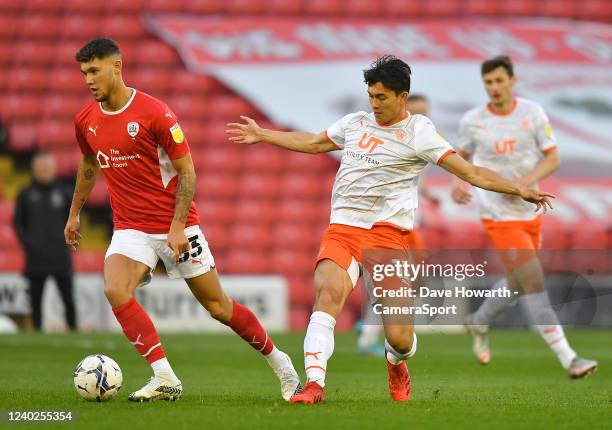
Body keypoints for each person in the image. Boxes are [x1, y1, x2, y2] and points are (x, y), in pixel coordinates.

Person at [226, 55, 554, 403]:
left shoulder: (420, 133)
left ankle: (396, 362)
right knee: (327, 297)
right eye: (371, 96)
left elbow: (470, 173)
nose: (374, 104)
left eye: (381, 97)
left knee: (399, 338)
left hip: (387, 237)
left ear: (402, 96)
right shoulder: (355, 123)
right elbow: (315, 143)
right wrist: (263, 134)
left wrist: (518, 188)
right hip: (343, 229)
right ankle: (314, 385)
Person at [65, 38, 301, 402]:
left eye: (94, 71)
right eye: (84, 73)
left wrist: (177, 226)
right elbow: (87, 164)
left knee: (218, 307)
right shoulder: (86, 119)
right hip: (130, 228)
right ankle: (164, 377)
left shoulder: (155, 112)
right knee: (114, 288)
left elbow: (187, 172)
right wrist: (74, 213)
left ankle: (281, 363)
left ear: (117, 66)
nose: (89, 80)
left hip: (177, 225)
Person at [452, 55, 597, 378]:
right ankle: (569, 358)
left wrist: (523, 185)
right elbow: (458, 158)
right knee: (532, 281)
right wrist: (457, 182)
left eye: (499, 81)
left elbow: (553, 157)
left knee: (517, 284)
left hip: (529, 209)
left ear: (512, 81)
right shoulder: (473, 121)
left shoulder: (532, 113)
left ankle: (478, 322)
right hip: (497, 212)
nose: (494, 88)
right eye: (488, 82)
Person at [356, 93, 439, 357]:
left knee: (412, 281)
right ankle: (369, 333)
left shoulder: (421, 138)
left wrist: (427, 195)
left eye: (425, 111)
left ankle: (372, 324)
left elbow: (412, 179)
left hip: (411, 221)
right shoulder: (392, 140)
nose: (421, 116)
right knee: (397, 283)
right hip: (397, 224)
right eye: (416, 111)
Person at [14, 152, 76, 331]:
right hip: (35, 257)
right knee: (35, 298)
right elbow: (18, 222)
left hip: (60, 255)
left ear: (54, 169)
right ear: (34, 170)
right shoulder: (25, 194)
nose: (44, 172)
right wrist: (28, 243)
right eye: (40, 169)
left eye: (47, 168)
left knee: (68, 297)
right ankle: (37, 329)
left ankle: (73, 328)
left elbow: (73, 220)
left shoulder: (65, 192)